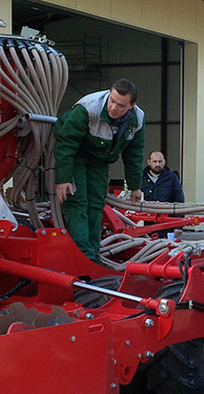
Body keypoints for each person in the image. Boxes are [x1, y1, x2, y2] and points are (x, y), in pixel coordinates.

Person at [54, 79, 144, 261]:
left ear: (131, 106)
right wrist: (62, 179)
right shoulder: (88, 108)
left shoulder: (137, 120)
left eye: (120, 105)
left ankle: (93, 254)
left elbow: (134, 154)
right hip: (76, 154)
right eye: (112, 100)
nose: (113, 107)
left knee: (96, 204)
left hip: (100, 159)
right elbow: (66, 143)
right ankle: (83, 258)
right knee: (77, 202)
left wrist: (135, 187)